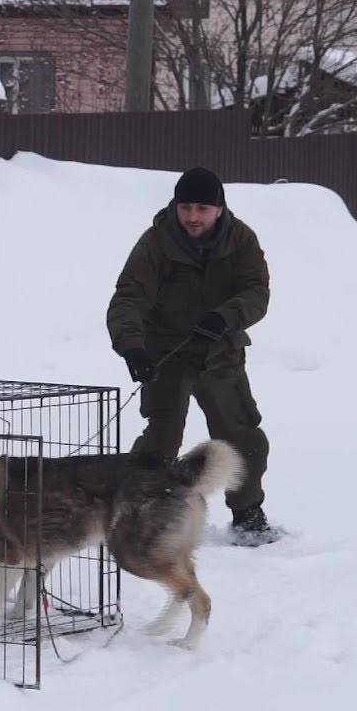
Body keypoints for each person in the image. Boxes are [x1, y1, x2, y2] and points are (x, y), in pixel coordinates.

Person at [106, 166, 280, 547]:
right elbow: (128, 298)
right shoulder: (156, 242)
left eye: (202, 208)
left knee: (242, 436)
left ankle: (248, 513)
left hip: (221, 353)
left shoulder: (242, 241)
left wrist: (225, 317)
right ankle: (136, 512)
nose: (193, 216)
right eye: (186, 207)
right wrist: (132, 345)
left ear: (219, 209)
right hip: (167, 353)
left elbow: (257, 292)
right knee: (161, 441)